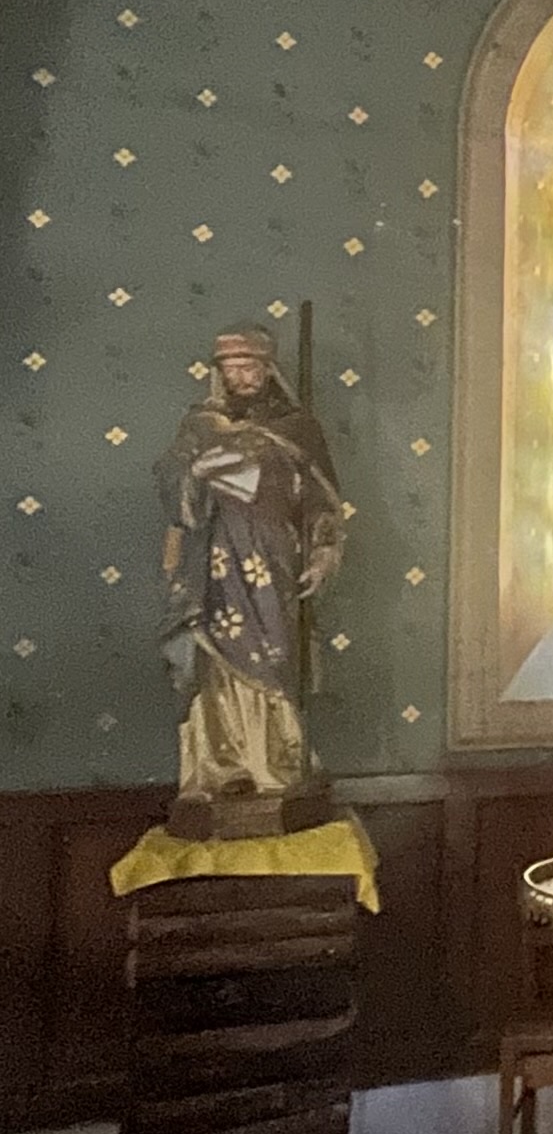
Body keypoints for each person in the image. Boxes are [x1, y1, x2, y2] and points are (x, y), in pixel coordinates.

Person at [156, 328, 346, 810]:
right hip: (214, 560)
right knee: (214, 656)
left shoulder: (297, 426)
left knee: (276, 657)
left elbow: (321, 502)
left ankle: (278, 765)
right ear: (219, 374)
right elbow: (174, 493)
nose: (241, 378)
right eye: (232, 369)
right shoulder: (199, 425)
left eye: (250, 368)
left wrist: (322, 552)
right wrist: (195, 474)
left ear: (268, 370)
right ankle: (223, 768)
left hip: (273, 557)